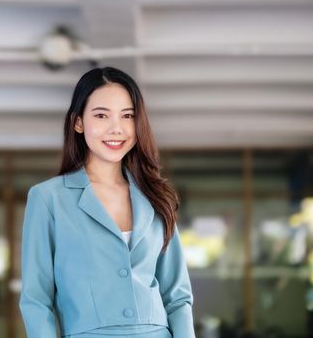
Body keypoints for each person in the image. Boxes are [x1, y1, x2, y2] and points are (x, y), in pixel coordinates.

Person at [19, 67, 195, 338]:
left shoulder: (156, 195)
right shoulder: (48, 199)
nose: (117, 129)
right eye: (101, 115)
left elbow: (178, 296)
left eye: (128, 116)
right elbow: (36, 299)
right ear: (78, 122)